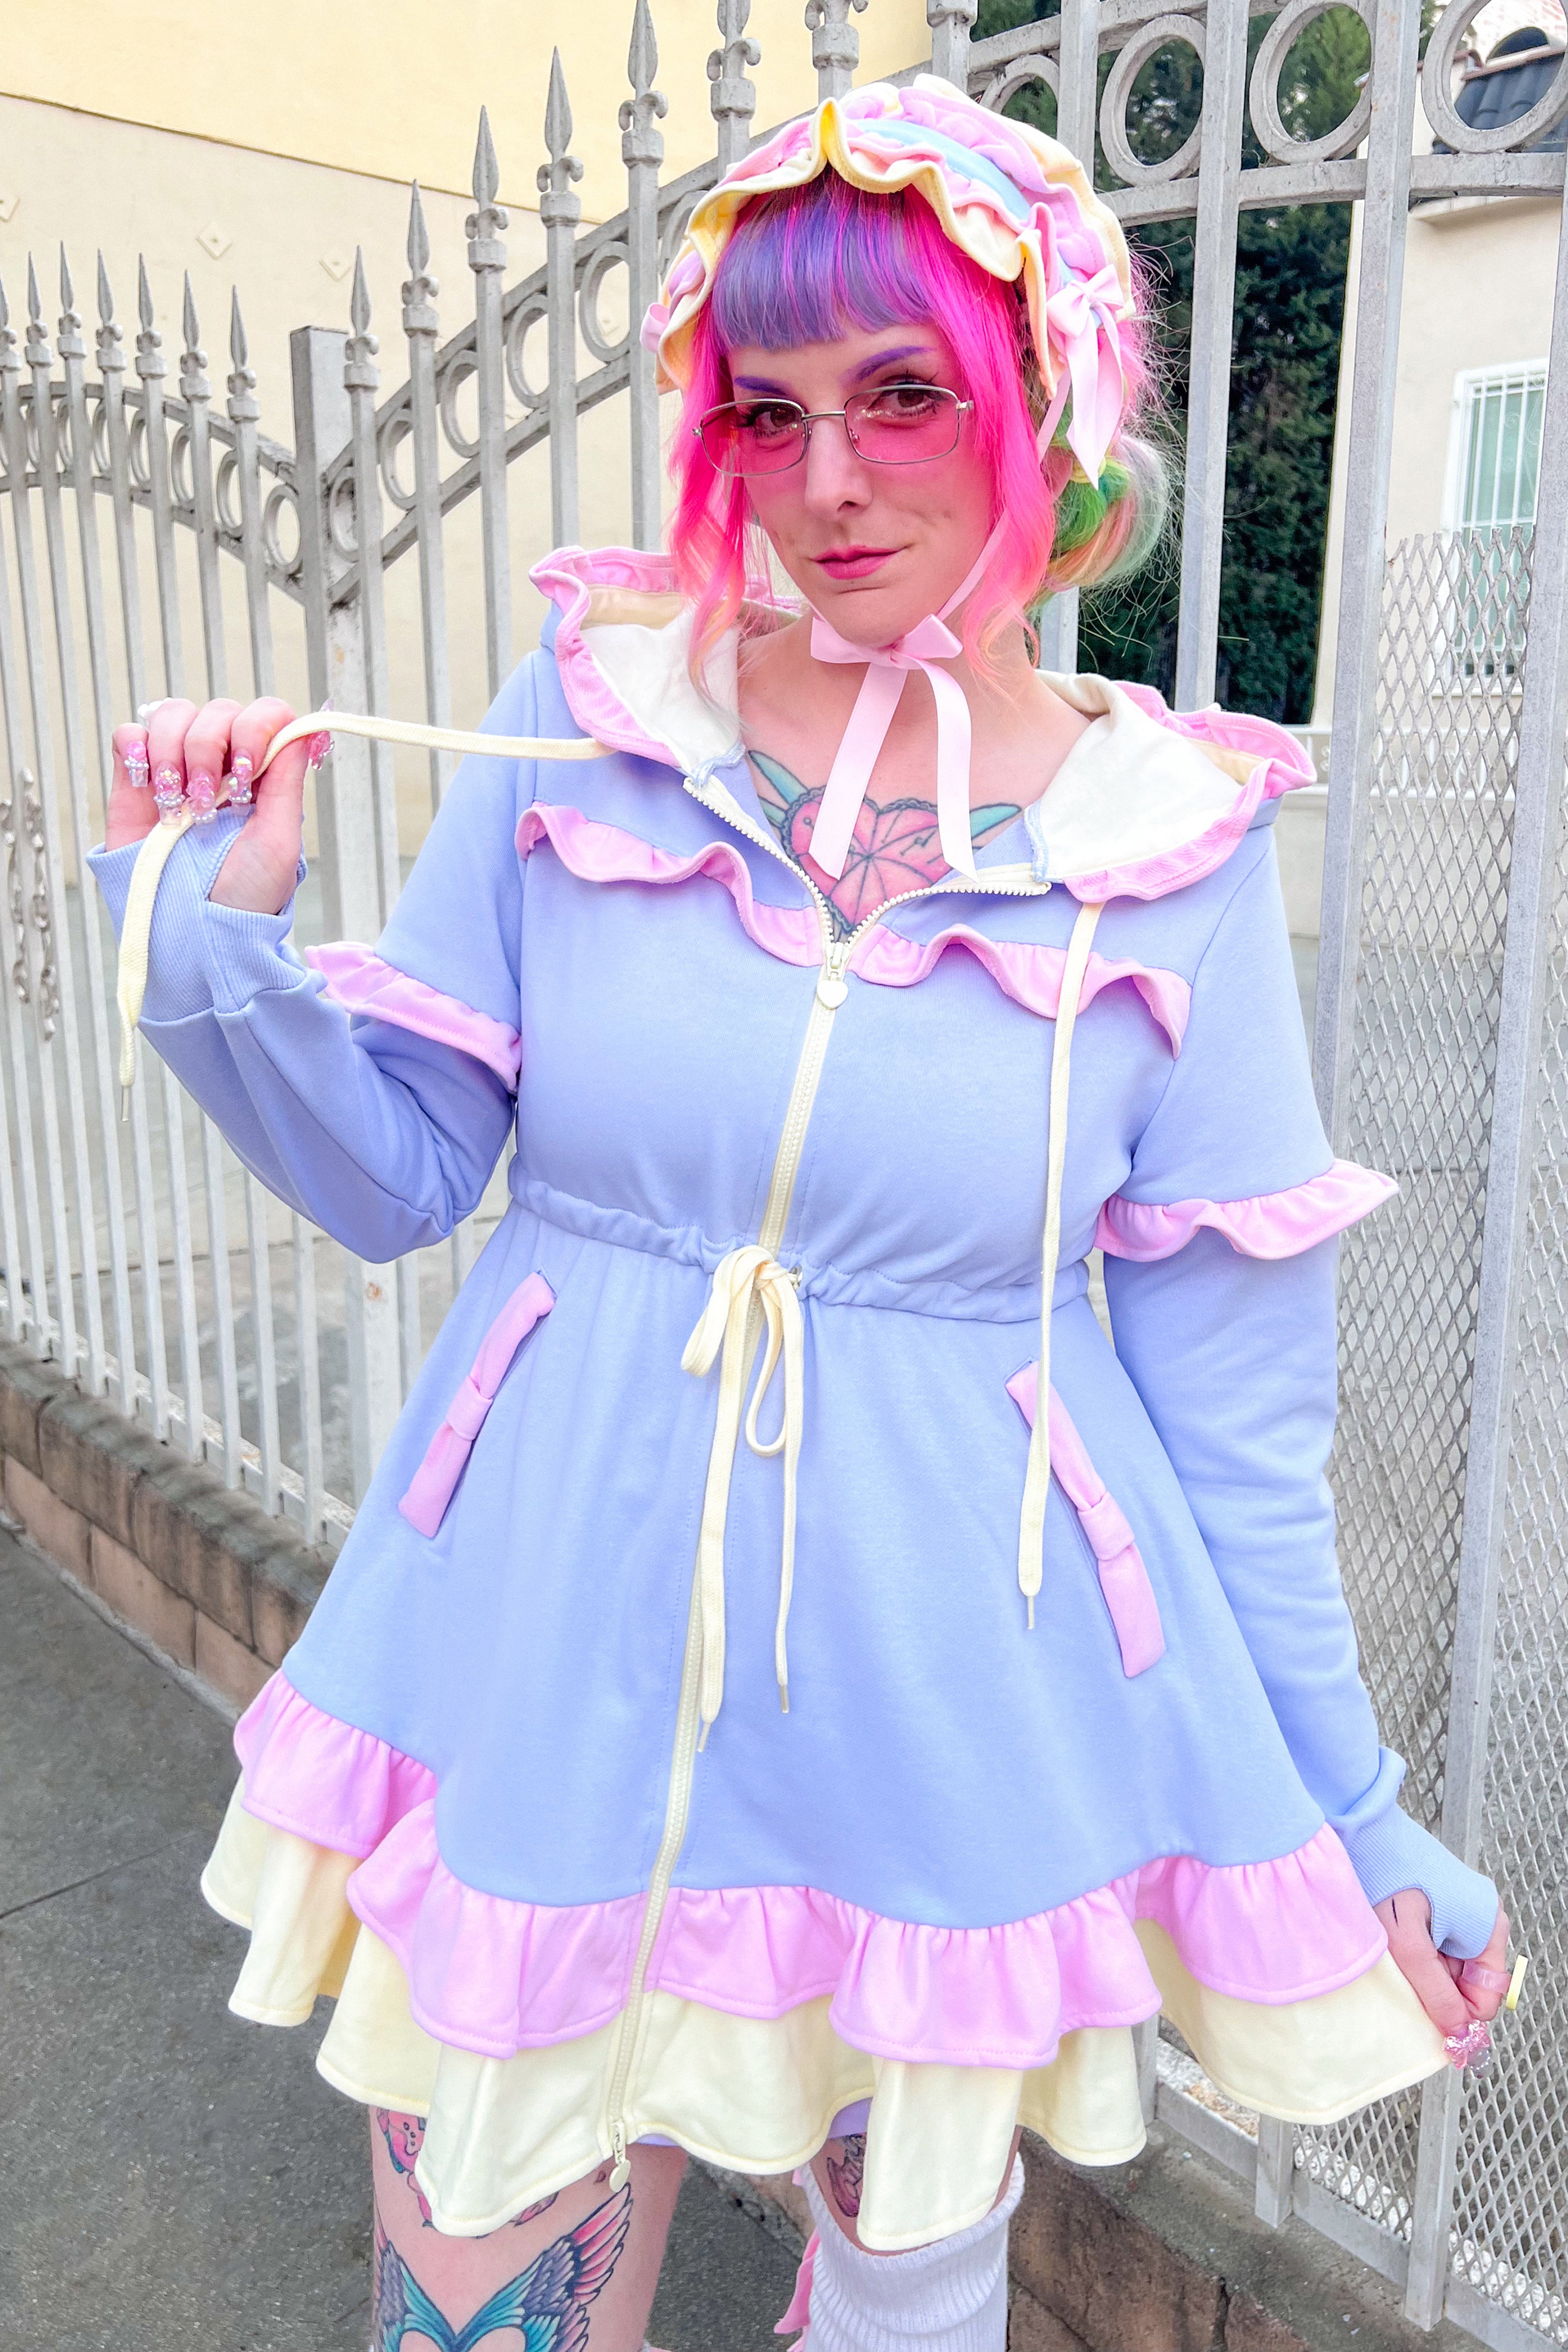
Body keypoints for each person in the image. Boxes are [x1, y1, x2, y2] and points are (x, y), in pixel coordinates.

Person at [91, 77, 1511, 2352]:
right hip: (538, 1663)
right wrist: (206, 944)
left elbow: (1239, 1422)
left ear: (1044, 410)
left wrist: (1355, 1814)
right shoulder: (593, 726)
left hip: (949, 1733)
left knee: (901, 2310)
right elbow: (399, 1177)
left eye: (903, 396)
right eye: (771, 409)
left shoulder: (1176, 851)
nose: (830, 476)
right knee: (476, 2319)